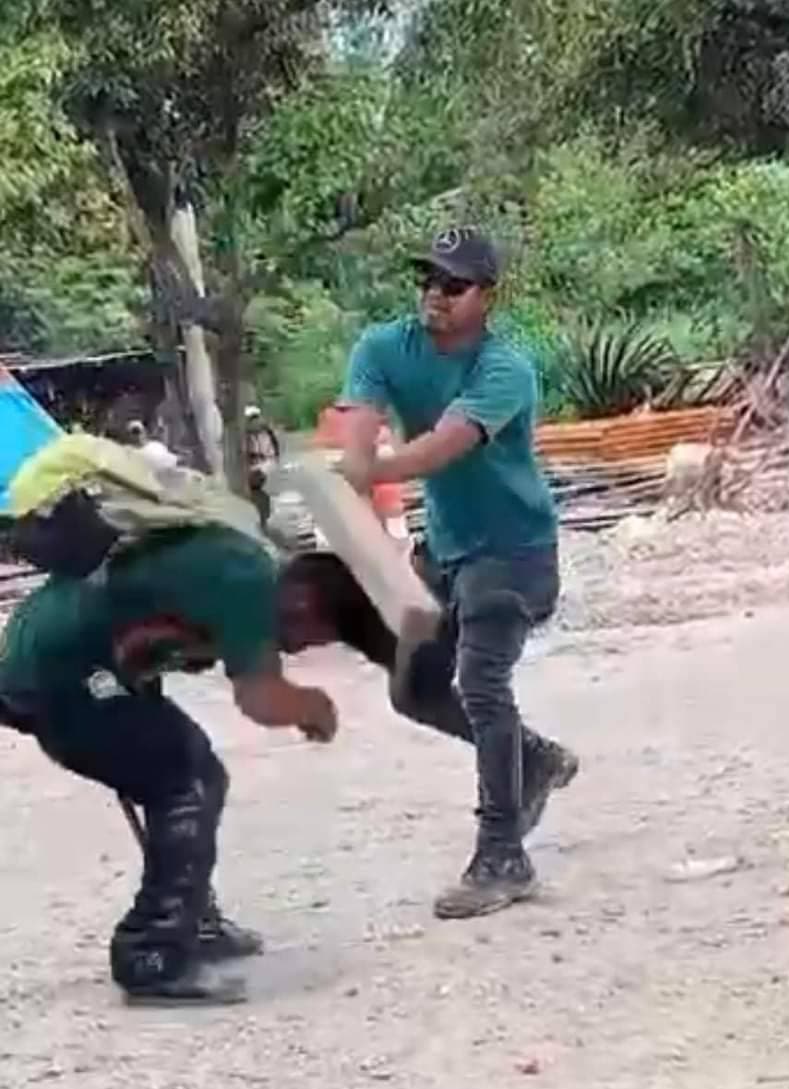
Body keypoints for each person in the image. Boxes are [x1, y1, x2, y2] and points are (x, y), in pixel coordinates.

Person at [0, 525, 384, 1004]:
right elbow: (260, 698)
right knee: (185, 781)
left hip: (62, 654)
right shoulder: (249, 581)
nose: (303, 650)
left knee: (186, 769)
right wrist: (313, 708)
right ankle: (151, 953)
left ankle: (191, 922)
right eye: (317, 637)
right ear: (305, 601)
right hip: (59, 672)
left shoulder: (246, 566)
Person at [340, 225, 578, 920]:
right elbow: (359, 415)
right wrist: (355, 463)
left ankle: (504, 855)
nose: (434, 296)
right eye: (428, 281)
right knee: (413, 689)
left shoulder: (506, 368)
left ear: (487, 296)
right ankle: (530, 760)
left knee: (479, 681)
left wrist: (374, 470)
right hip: (445, 549)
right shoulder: (384, 346)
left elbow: (444, 447)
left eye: (453, 285)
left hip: (513, 551)